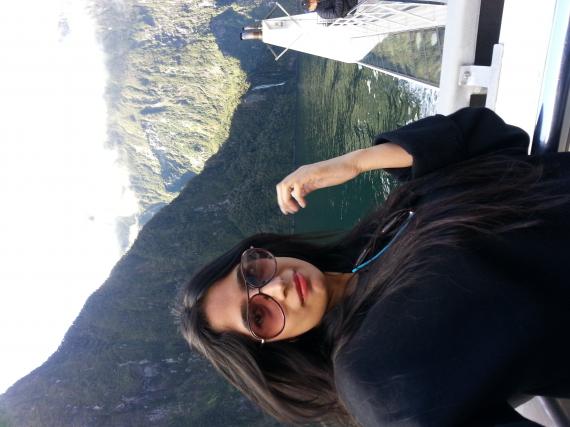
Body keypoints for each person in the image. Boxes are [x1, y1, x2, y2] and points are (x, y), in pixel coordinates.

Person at [178, 107, 570, 426]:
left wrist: (356, 161)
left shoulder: (376, 237)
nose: (274, 288)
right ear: (276, 350)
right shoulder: (375, 379)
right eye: (259, 315)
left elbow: (493, 141)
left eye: (252, 275)